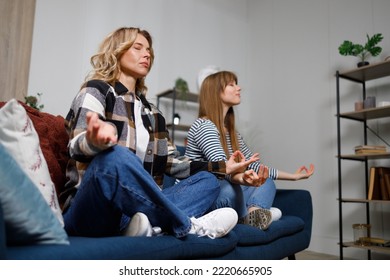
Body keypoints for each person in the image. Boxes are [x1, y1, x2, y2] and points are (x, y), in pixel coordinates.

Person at [61, 28, 259, 239]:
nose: (147, 54)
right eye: (137, 48)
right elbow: (76, 145)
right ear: (117, 51)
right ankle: (185, 225)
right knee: (115, 156)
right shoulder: (96, 91)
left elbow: (173, 163)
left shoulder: (153, 113)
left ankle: (144, 227)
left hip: (134, 213)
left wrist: (224, 168)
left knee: (209, 181)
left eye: (148, 50)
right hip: (93, 209)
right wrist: (94, 140)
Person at [185, 70, 315, 230]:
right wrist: (242, 178)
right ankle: (258, 214)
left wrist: (294, 176)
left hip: (225, 191)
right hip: (201, 196)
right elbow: (223, 170)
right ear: (215, 92)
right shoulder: (203, 125)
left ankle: (254, 217)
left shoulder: (232, 134)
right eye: (231, 85)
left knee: (266, 181)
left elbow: (255, 166)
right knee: (231, 190)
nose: (239, 88)